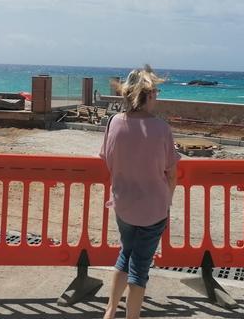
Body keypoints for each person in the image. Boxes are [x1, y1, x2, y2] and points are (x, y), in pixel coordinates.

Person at [99, 65, 180, 319]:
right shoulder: (161, 128)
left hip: (123, 204)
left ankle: (110, 311)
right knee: (140, 268)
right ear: (149, 95)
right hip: (153, 208)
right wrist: (169, 199)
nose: (157, 96)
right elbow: (172, 173)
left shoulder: (114, 123)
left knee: (126, 253)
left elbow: (106, 158)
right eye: (156, 91)